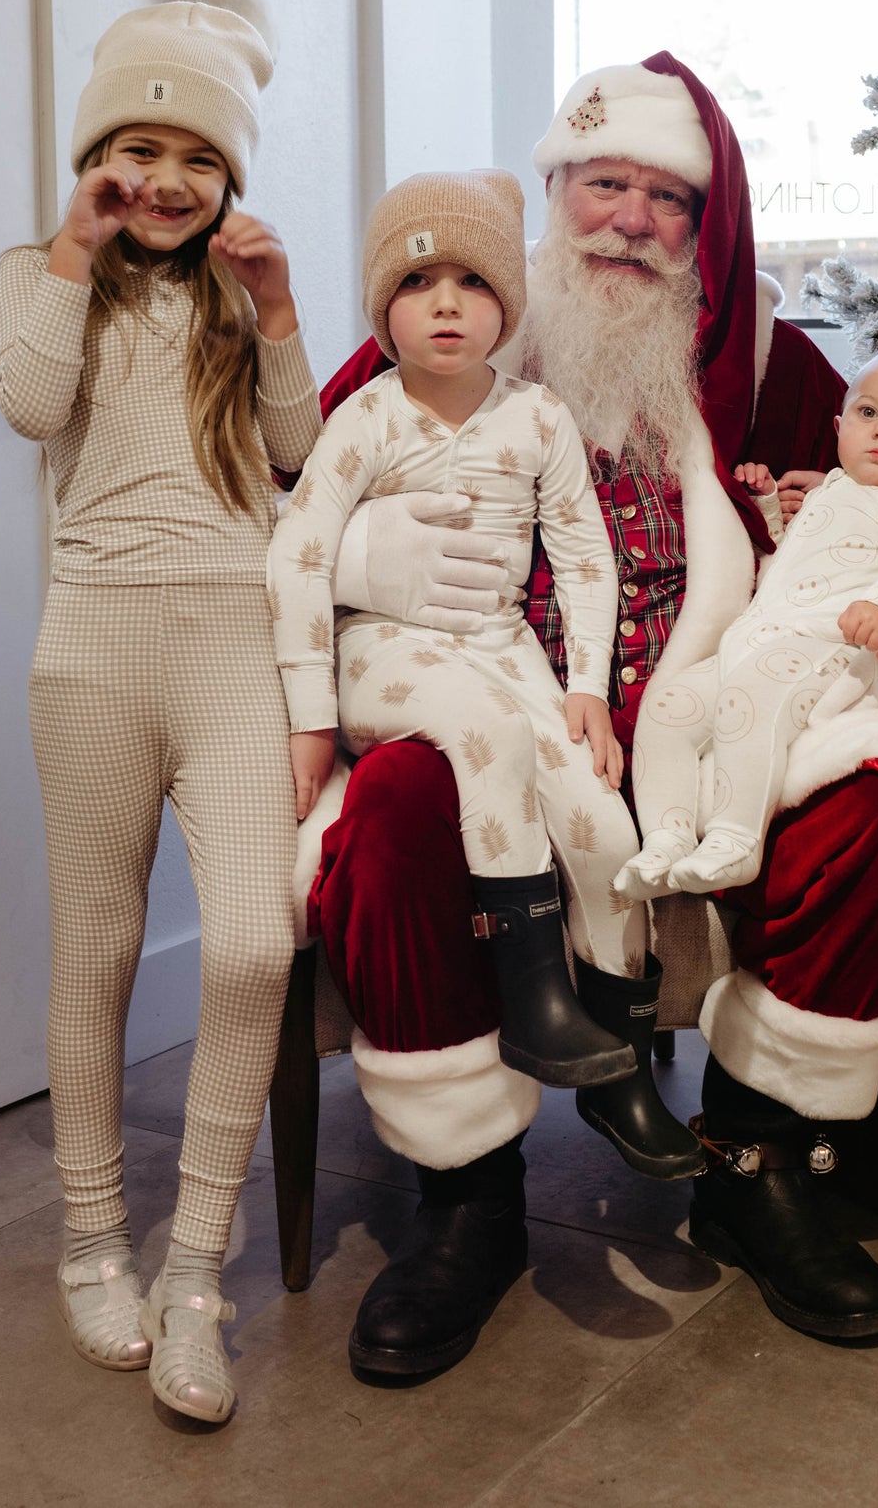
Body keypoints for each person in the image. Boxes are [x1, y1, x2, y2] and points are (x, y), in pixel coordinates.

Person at [297, 54, 878, 1378]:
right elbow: (299, 500)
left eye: (662, 199)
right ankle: (469, 1193)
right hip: (487, 709)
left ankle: (755, 1157)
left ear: (705, 226)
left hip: (731, 712)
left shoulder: (777, 366)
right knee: (396, 808)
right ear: (552, 196)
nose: (627, 219)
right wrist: (360, 562)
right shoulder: (444, 335)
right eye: (600, 184)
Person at [0, 3, 321, 1424]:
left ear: (231, 175)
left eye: (198, 154)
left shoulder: (241, 298)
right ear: (96, 159)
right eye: (139, 146)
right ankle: (88, 1235)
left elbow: (304, 455)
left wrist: (288, 305)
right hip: (95, 646)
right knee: (103, 940)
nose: (168, 178)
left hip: (234, 640)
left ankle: (196, 1267)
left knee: (253, 940)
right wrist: (71, 246)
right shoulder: (40, 273)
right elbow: (34, 404)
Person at [268, 169, 698, 1169]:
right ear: (385, 309)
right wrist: (307, 714)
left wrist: (585, 684)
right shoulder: (365, 418)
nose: (447, 302)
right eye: (419, 284)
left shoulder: (536, 417)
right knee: (485, 735)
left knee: (600, 819)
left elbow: (585, 551)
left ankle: (616, 1060)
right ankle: (534, 1002)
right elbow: (294, 551)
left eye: (471, 279)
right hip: (384, 650)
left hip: (500, 648)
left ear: (510, 301)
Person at [617, 346, 878, 898]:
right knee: (666, 708)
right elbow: (786, 560)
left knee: (751, 702)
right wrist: (767, 509)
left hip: (825, 646)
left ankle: (735, 841)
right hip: (753, 639)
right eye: (869, 413)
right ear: (839, 424)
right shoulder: (828, 489)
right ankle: (665, 836)